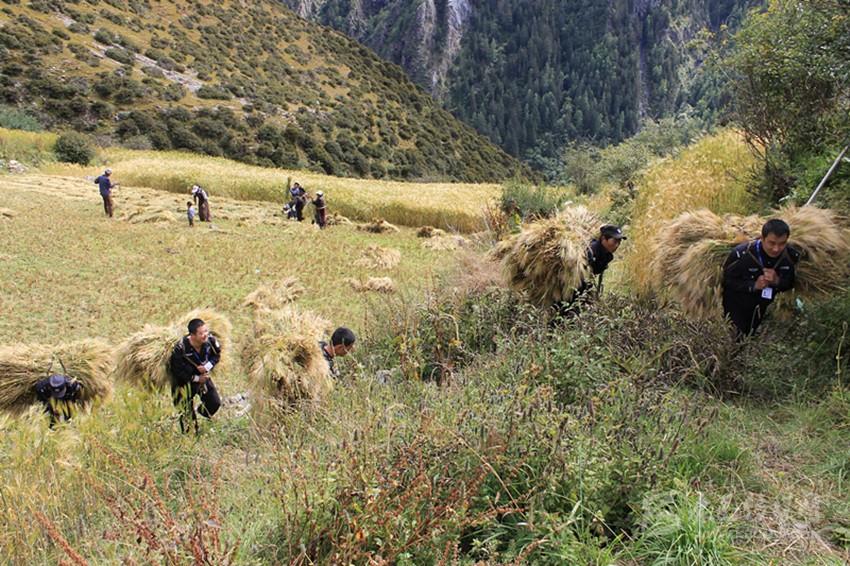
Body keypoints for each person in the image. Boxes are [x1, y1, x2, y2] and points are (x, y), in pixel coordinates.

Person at [722, 218, 800, 339]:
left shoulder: (790, 256)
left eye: (782, 244)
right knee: (736, 338)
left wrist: (777, 281)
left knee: (750, 336)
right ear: (762, 238)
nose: (776, 249)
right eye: (772, 243)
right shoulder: (742, 254)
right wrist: (753, 285)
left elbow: (791, 283)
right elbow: (727, 281)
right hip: (736, 303)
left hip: (761, 305)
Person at [555, 224, 627, 317]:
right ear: (604, 239)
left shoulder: (608, 255)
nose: (617, 245)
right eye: (614, 241)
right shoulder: (590, 251)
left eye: (619, 242)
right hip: (571, 286)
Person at [170, 318, 222, 434]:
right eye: (201, 333)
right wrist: (197, 379)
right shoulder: (180, 349)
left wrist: (207, 366)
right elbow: (178, 372)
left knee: (214, 403)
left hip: (203, 378)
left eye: (206, 331)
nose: (205, 335)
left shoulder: (210, 341)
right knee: (186, 414)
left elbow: (216, 355)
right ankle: (191, 436)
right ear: (192, 335)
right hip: (183, 383)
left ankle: (201, 412)